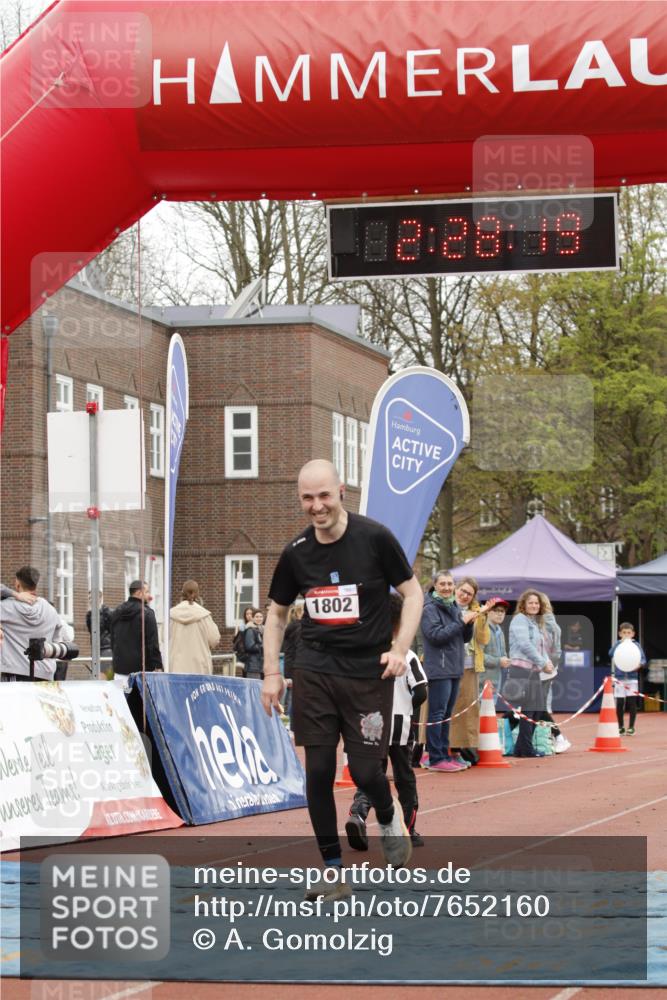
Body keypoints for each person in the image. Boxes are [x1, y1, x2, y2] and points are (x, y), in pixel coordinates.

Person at [261, 459, 423, 890]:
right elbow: (276, 615)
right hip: (314, 668)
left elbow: (412, 593)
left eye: (324, 496)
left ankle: (387, 816)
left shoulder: (374, 538)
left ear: (341, 492)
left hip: (367, 673)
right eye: (307, 498)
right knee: (316, 771)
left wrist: (399, 649)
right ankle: (333, 871)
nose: (317, 507)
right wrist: (271, 673)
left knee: (367, 773)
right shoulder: (296, 552)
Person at [346, 593, 427, 849]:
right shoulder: (407, 655)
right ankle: (408, 829)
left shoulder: (364, 654)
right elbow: (422, 689)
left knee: (371, 774)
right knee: (404, 777)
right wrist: (408, 711)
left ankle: (358, 813)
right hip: (400, 725)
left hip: (370, 724)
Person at [420, 570, 473, 772]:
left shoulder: (452, 606)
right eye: (443, 584)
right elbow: (435, 636)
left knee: (447, 714)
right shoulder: (429, 609)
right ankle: (435, 757)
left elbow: (464, 638)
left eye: (450, 584)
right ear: (435, 585)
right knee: (437, 713)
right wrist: (461, 622)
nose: (447, 588)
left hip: (454, 666)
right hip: (439, 667)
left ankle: (444, 753)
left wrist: (469, 623)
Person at [448, 578, 496, 767]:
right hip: (447, 664)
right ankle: (442, 750)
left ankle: (459, 750)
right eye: (462, 590)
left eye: (469, 593)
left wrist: (482, 618)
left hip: (469, 665)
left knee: (466, 710)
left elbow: (484, 640)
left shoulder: (477, 612)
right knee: (446, 708)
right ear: (455, 589)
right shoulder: (445, 608)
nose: (465, 595)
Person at [507, 590, 553, 758]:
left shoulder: (534, 622)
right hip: (521, 669)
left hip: (533, 670)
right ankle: (525, 748)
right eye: (531, 602)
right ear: (523, 605)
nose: (534, 605)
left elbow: (541, 647)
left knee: (537, 709)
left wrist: (548, 663)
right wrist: (542, 663)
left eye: (536, 603)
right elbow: (525, 644)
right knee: (529, 709)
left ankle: (522, 747)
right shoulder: (520, 619)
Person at [0, 566, 63, 681]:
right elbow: (58, 642)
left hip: (14, 674)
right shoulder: (51, 610)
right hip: (45, 674)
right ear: (36, 584)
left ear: (17, 584)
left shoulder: (5, 607)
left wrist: (13, 594)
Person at [538, 593, 570, 753]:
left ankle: (558, 736)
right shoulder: (545, 622)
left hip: (543, 670)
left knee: (538, 707)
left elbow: (555, 650)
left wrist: (548, 665)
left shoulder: (547, 623)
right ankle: (551, 737)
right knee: (535, 707)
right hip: (542, 669)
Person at [110, 580, 163, 676]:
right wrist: (158, 666)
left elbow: (113, 640)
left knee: (121, 691)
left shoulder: (116, 612)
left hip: (120, 669)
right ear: (139, 593)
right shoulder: (147, 613)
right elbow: (152, 643)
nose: (149, 595)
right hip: (141, 672)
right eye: (147, 592)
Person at [169, 580, 221, 674]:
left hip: (176, 668)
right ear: (197, 594)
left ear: (182, 593)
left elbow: (162, 639)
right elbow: (214, 639)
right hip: (200, 667)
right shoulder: (204, 615)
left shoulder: (171, 615)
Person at [610, 622, 646, 735]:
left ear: (633, 634)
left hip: (632, 678)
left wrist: (639, 665)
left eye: (629, 633)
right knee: (620, 703)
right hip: (619, 678)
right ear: (620, 634)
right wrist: (618, 644)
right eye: (624, 633)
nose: (626, 635)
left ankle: (631, 727)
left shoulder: (636, 645)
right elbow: (611, 653)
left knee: (632, 703)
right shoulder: (618, 644)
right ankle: (620, 726)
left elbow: (643, 659)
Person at [482, 597, 511, 702]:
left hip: (495, 681)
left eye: (502, 611)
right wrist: (499, 661)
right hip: (481, 682)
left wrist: (506, 660)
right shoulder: (481, 628)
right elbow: (477, 656)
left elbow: (502, 655)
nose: (499, 614)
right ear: (488, 611)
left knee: (489, 713)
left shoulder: (500, 631)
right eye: (496, 610)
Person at [281, 602, 304, 723]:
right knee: (294, 694)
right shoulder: (298, 627)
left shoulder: (291, 626)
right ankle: (291, 720)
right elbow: (299, 646)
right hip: (295, 665)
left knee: (292, 693)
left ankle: (289, 718)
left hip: (290, 664)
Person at [86, 591, 113, 659]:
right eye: (89, 598)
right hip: (95, 649)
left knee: (105, 669)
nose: (90, 600)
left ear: (100, 598)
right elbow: (91, 631)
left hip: (106, 648)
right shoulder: (89, 614)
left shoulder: (107, 612)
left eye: (92, 598)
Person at [243, 608, 265, 678]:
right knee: (254, 688)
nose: (259, 619)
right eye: (257, 617)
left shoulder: (262, 630)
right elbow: (249, 646)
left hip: (261, 665)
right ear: (253, 618)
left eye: (261, 617)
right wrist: (263, 646)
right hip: (253, 666)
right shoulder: (250, 630)